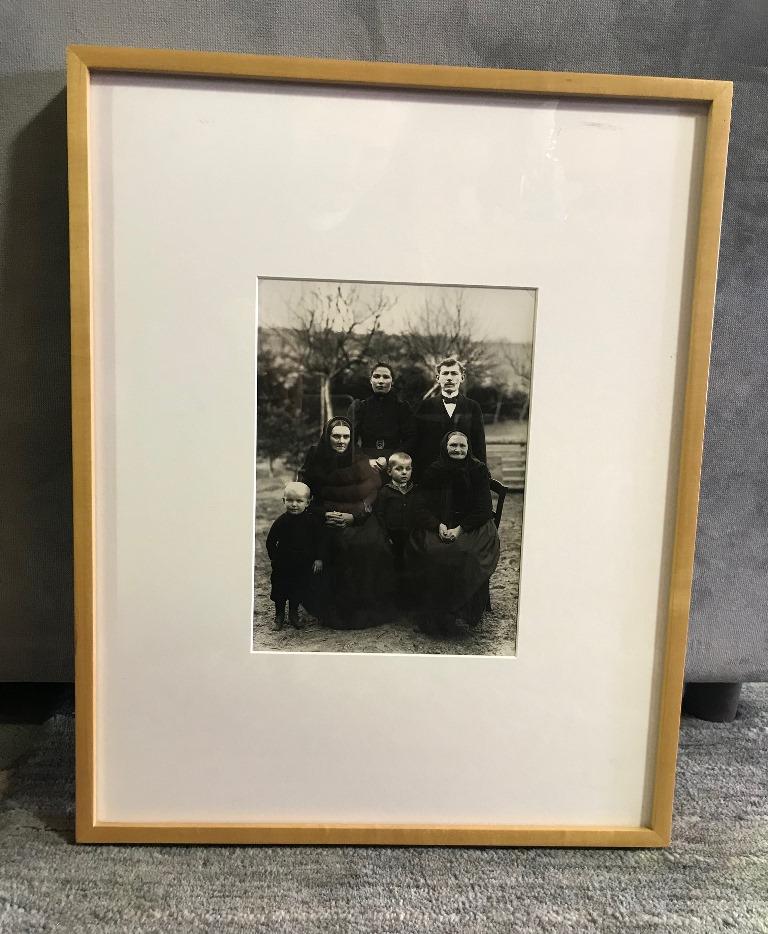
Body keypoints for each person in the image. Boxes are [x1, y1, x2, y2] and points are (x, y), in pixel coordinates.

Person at [299, 416, 388, 627]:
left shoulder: (360, 458)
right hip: (324, 513)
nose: (341, 441)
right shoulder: (315, 456)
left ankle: (362, 608)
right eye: (336, 436)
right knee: (328, 545)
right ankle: (329, 609)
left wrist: (354, 516)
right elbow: (306, 492)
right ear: (327, 436)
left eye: (346, 436)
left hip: (357, 514)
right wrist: (323, 514)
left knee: (368, 543)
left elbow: (372, 493)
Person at [410, 430, 500, 635]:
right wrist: (437, 525)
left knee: (465, 554)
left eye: (462, 446)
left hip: (472, 526)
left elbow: (484, 509)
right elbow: (421, 506)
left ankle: (461, 613)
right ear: (445, 447)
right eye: (453, 445)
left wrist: (460, 529)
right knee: (432, 553)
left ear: (468, 448)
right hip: (440, 524)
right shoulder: (434, 470)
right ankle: (435, 615)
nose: (458, 449)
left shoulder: (477, 469)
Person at [412, 357, 486, 479]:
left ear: (462, 378)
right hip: (433, 475)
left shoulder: (473, 407)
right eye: (445, 373)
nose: (449, 378)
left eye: (454, 373)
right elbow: (418, 442)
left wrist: (481, 474)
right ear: (438, 378)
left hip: (464, 475)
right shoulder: (425, 406)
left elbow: (479, 444)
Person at [265, 481, 324, 630]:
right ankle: (279, 616)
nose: (294, 505)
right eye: (290, 500)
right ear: (284, 501)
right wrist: (274, 559)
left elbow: (319, 541)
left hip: (302, 565)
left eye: (299, 501)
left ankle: (293, 614)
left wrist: (318, 558)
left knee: (297, 590)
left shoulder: (312, 522)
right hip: (283, 566)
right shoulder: (281, 522)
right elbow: (270, 541)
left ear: (308, 502)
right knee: (280, 591)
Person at [348, 362, 417, 470]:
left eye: (385, 377)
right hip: (366, 464)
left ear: (392, 381)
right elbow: (351, 440)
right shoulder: (360, 407)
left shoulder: (402, 407)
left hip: (395, 464)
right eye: (376, 376)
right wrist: (365, 460)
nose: (381, 381)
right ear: (370, 380)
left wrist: (390, 459)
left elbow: (411, 439)